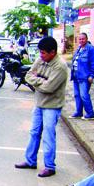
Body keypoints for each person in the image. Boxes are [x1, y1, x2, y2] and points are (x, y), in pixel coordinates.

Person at [15, 37, 68, 178]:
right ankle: (30, 160)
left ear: (53, 52)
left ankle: (50, 166)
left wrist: (37, 81)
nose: (41, 56)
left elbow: (49, 87)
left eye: (44, 53)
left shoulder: (60, 67)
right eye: (40, 52)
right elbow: (27, 76)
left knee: (48, 136)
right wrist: (41, 80)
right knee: (34, 133)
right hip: (39, 104)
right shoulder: (40, 60)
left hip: (52, 106)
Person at [69, 32, 94, 120]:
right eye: (80, 39)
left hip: (85, 77)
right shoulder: (79, 48)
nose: (81, 40)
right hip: (76, 76)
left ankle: (90, 113)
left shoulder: (91, 49)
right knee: (77, 95)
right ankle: (79, 112)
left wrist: (92, 75)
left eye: (83, 39)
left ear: (86, 39)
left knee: (84, 95)